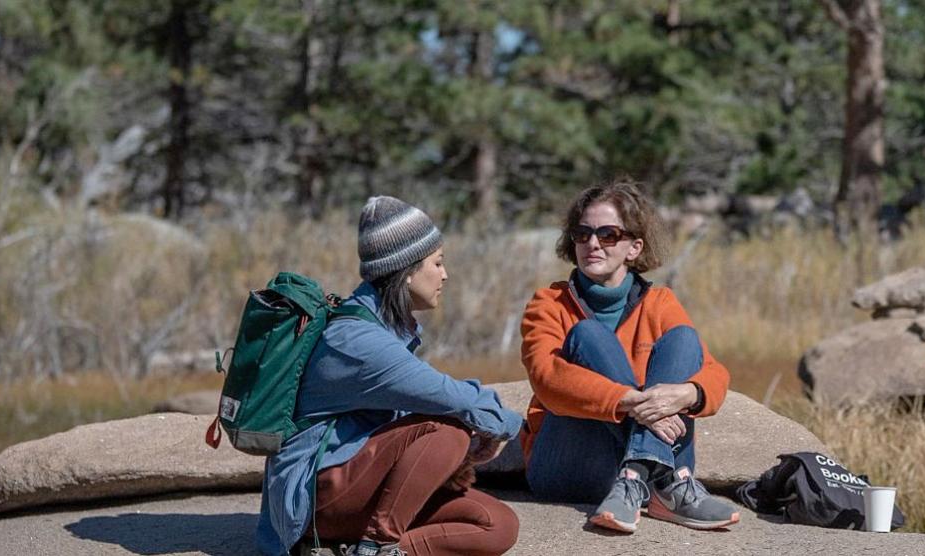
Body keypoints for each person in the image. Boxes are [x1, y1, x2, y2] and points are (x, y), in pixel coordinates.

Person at [256, 196, 524, 556]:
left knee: (497, 525)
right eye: (438, 263)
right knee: (447, 429)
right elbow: (452, 397)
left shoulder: (383, 327)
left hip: (359, 485)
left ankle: (362, 551)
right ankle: (377, 545)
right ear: (407, 269)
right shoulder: (357, 342)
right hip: (315, 500)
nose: (445, 274)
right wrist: (508, 424)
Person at [519, 179, 739, 533]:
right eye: (582, 233)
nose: (592, 243)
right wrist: (634, 402)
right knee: (589, 335)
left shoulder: (660, 303)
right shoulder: (549, 303)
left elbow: (713, 373)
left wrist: (690, 393)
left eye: (608, 235)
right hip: (567, 461)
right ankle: (665, 482)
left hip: (625, 466)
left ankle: (635, 477)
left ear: (634, 247)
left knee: (683, 339)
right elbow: (548, 380)